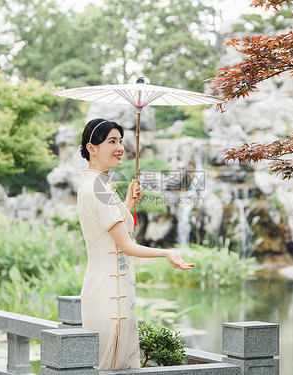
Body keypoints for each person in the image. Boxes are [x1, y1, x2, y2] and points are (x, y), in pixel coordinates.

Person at [77, 118, 195, 370]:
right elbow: (126, 245)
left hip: (103, 288)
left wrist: (129, 200)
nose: (120, 147)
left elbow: (109, 232)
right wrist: (167, 253)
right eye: (112, 141)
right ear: (92, 148)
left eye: (121, 140)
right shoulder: (102, 191)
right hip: (112, 297)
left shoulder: (92, 185)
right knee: (113, 367)